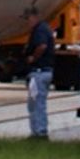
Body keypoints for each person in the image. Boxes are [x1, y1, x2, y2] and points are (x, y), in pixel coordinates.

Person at [22, 8, 54, 140]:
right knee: (35, 103)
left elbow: (42, 46)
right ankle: (37, 131)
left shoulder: (40, 30)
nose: (27, 22)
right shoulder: (44, 28)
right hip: (43, 72)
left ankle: (40, 133)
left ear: (35, 17)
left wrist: (33, 58)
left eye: (28, 18)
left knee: (37, 104)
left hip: (39, 73)